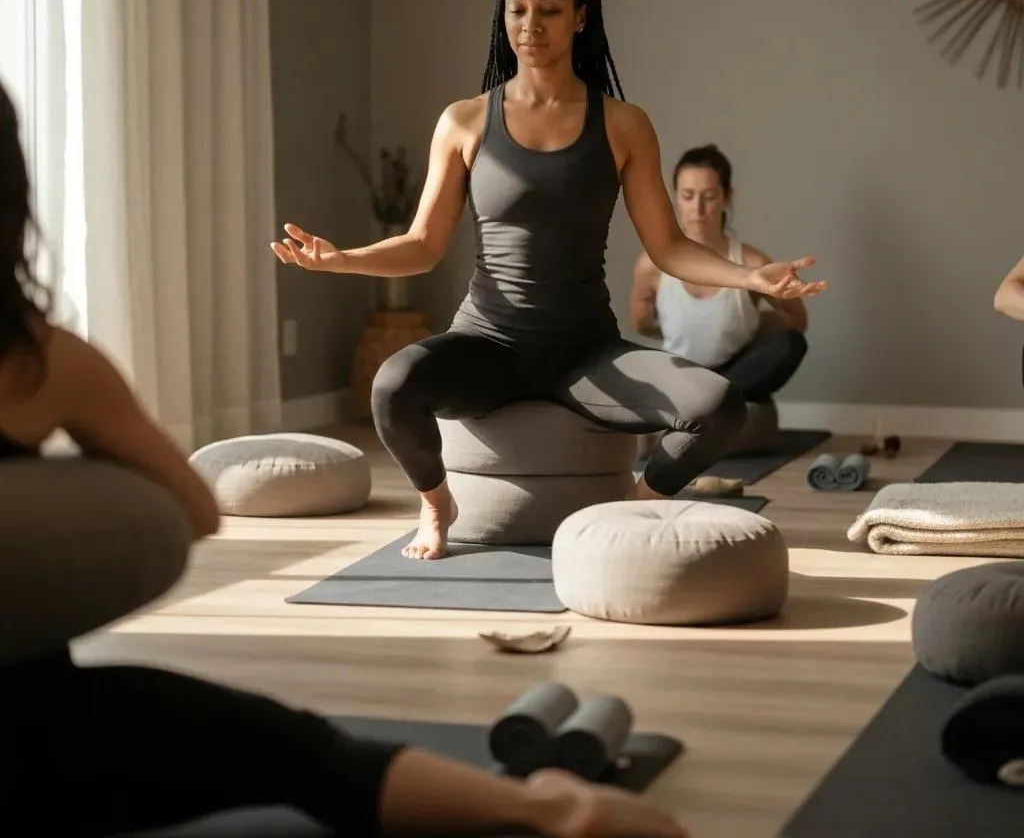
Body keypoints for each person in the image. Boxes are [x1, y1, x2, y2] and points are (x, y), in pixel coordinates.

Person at [0, 79, 690, 837]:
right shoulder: (37, 364)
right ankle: (555, 807)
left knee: (292, 749)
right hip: (42, 731)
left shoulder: (615, 125)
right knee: (301, 750)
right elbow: (190, 507)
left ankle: (557, 803)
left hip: (43, 737)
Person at [272, 0, 827, 562]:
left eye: (550, 8)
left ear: (581, 15)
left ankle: (634, 507)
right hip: (488, 344)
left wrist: (754, 280)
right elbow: (424, 245)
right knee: (392, 386)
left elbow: (668, 248)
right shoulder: (464, 121)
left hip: (585, 351)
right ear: (503, 15)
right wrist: (341, 259)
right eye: (517, 9)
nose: (530, 25)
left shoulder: (622, 124)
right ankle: (436, 503)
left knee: (721, 406)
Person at [630, 145, 810, 403]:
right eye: (688, 196)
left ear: (727, 198)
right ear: (676, 198)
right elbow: (642, 323)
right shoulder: (651, 264)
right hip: (679, 376)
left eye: (710, 196)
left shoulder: (753, 262)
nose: (698, 209)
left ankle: (716, 403)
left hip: (735, 373)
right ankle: (710, 405)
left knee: (792, 345)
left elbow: (797, 319)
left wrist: (760, 328)